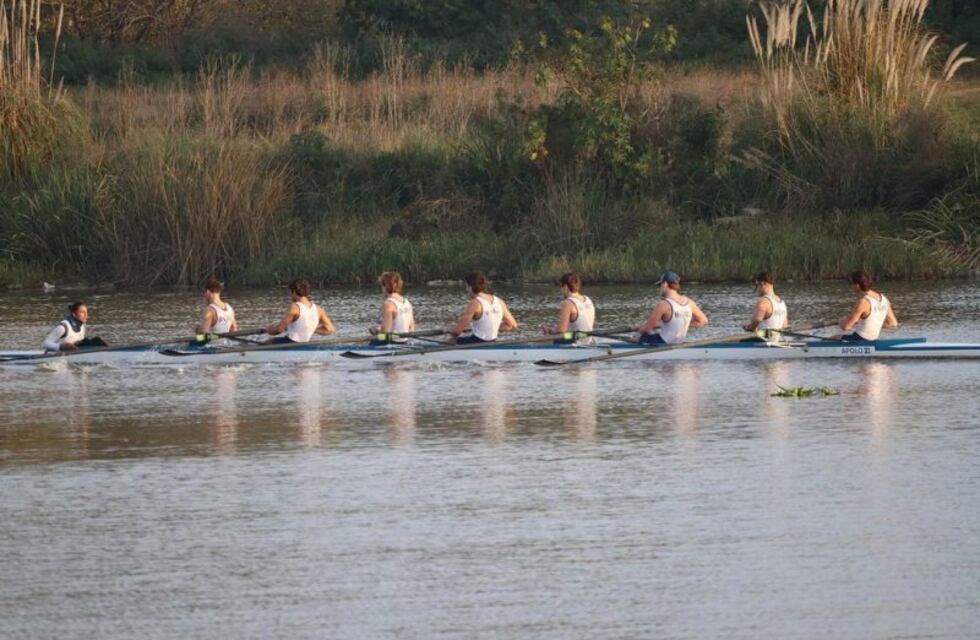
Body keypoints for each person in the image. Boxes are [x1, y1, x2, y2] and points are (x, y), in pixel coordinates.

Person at [636, 271, 708, 345]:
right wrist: (680, 324)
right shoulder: (689, 302)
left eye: (660, 285)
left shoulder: (663, 304)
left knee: (641, 337)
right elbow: (703, 321)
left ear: (665, 284)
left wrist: (641, 329)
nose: (660, 289)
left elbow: (647, 329)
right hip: (677, 342)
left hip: (663, 343)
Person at [448, 272, 517, 344]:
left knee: (452, 340)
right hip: (492, 342)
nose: (466, 290)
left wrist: (452, 331)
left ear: (471, 287)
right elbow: (512, 326)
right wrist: (491, 327)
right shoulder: (500, 301)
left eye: (466, 286)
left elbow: (456, 332)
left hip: (477, 342)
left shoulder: (475, 303)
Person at [264, 279, 335, 343]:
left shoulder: (294, 307)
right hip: (304, 344)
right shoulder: (319, 310)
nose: (290, 296)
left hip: (290, 343)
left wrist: (269, 330)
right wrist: (310, 329)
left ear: (294, 292)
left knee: (268, 342)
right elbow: (330, 330)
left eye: (290, 293)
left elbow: (278, 330)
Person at [838, 270, 897, 341]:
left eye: (851, 283)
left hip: (859, 340)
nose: (851, 286)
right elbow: (893, 323)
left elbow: (846, 327)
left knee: (832, 338)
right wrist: (871, 324)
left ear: (857, 286)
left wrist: (841, 322)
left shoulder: (863, 302)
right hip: (873, 340)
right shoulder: (885, 299)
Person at [542, 272, 595, 343]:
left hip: (576, 342)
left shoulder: (568, 303)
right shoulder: (588, 299)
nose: (561, 291)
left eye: (561, 287)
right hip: (588, 340)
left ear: (566, 287)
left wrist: (550, 330)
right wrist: (556, 328)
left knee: (547, 340)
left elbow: (561, 331)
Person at [370, 271, 415, 345]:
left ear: (385, 286)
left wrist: (376, 331)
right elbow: (412, 329)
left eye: (381, 286)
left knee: (374, 340)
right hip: (405, 341)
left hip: (392, 342)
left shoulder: (388, 304)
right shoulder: (407, 302)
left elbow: (385, 332)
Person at [42, 302, 108, 352]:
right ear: (74, 314)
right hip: (56, 355)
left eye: (86, 312)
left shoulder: (82, 325)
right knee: (89, 342)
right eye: (82, 312)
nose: (86, 315)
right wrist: (62, 347)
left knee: (97, 340)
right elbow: (45, 344)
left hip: (74, 350)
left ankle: (109, 352)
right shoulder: (63, 327)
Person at [742, 271, 788, 339]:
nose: (757, 289)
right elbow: (785, 325)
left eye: (757, 285)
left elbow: (757, 320)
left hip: (763, 341)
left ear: (763, 283)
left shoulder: (763, 302)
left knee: (742, 341)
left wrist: (749, 327)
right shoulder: (782, 303)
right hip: (777, 341)